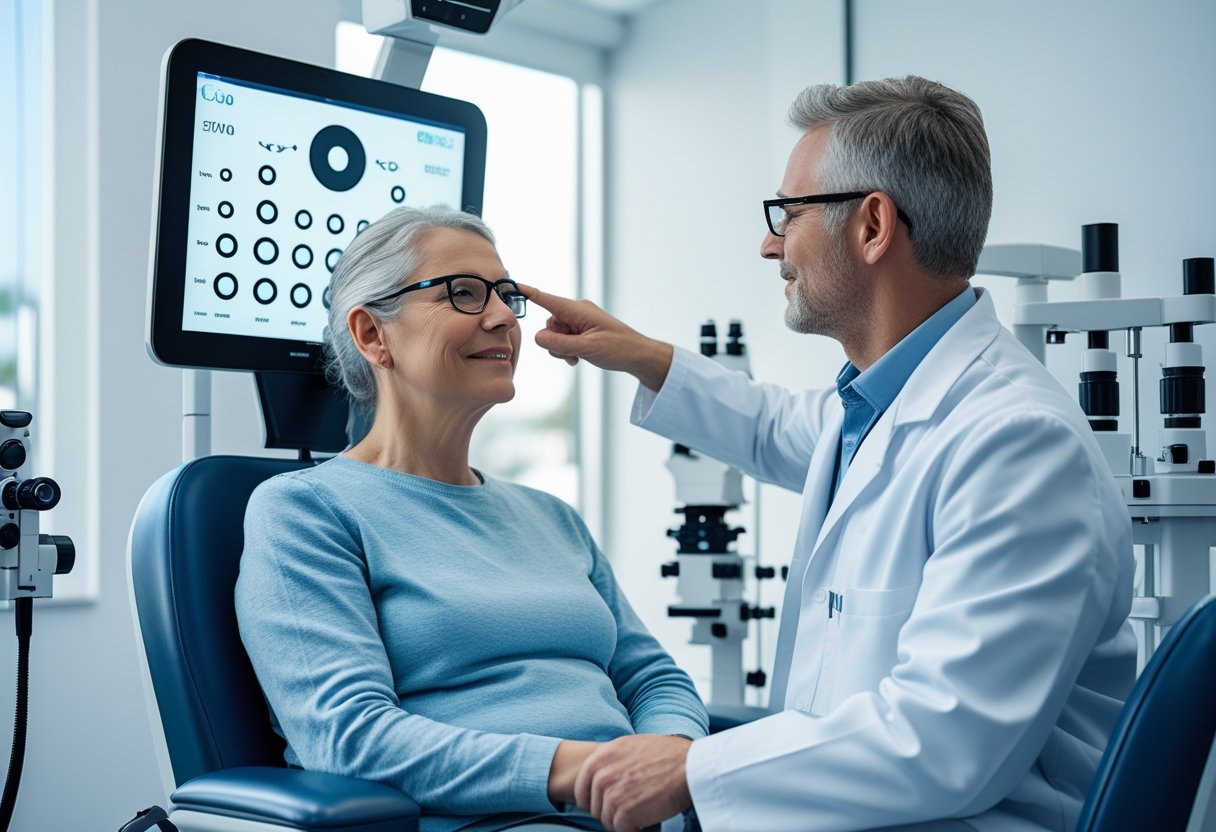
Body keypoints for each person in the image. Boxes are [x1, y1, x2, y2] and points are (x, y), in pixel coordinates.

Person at [521, 76, 1136, 832]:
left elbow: (942, 740)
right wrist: (638, 353)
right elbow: (771, 425)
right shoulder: (880, 410)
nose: (769, 243)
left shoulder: (1017, 445)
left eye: (788, 213)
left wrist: (691, 770)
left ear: (872, 225)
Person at [235, 205, 708, 832]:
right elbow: (350, 738)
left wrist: (672, 756)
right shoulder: (306, 512)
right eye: (463, 292)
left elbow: (652, 678)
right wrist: (588, 772)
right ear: (373, 335)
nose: (502, 317)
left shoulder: (552, 518)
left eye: (506, 295)